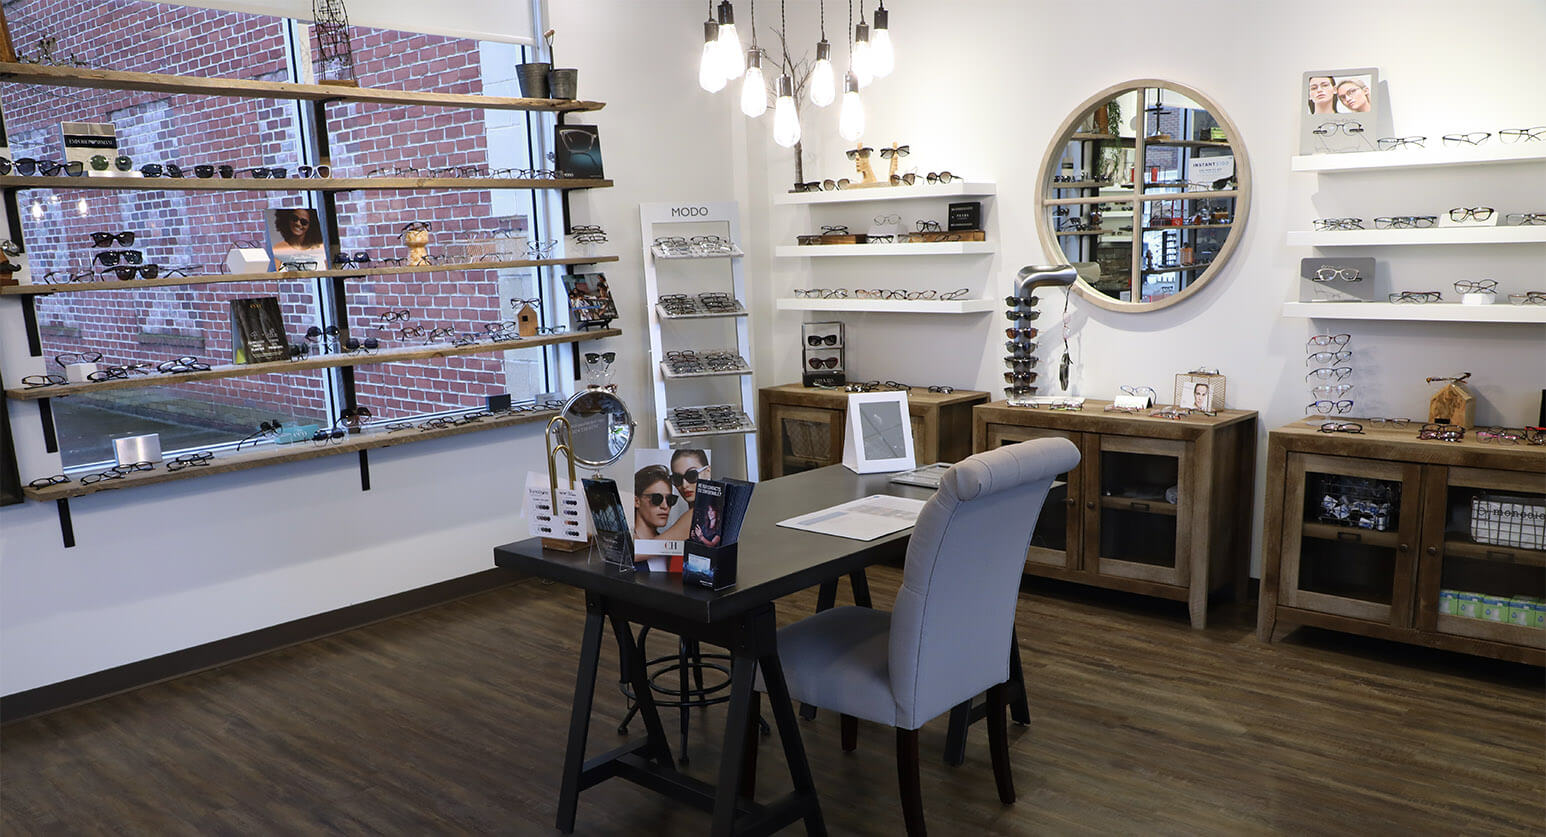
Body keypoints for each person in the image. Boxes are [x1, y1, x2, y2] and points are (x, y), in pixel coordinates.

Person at [660, 449, 709, 540]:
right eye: (677, 478)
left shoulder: (696, 514)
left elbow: (647, 549)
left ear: (707, 472)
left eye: (691, 475)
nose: (684, 485)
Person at [632, 465, 678, 541]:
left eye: (670, 499)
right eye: (657, 499)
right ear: (636, 501)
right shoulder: (621, 542)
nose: (665, 506)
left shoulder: (668, 549)